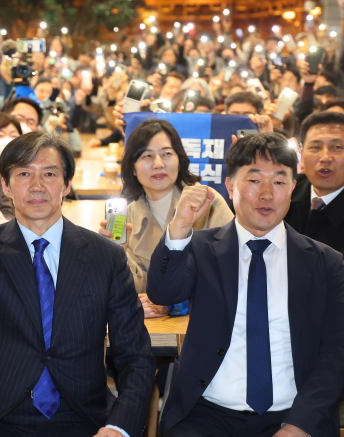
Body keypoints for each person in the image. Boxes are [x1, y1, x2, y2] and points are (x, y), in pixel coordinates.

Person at [0, 131, 155, 437]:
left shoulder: (105, 257)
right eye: (24, 173)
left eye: (50, 174)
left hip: (82, 416)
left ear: (67, 185)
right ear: (5, 185)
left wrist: (119, 427)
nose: (37, 186)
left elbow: (135, 356)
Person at [147, 132, 344, 437]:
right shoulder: (200, 247)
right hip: (206, 416)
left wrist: (298, 426)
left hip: (293, 416)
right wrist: (180, 226)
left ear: (293, 186)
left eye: (279, 182)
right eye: (253, 181)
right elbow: (164, 293)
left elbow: (336, 353)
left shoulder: (327, 263)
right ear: (229, 186)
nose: (267, 194)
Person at [99, 119, 233, 316]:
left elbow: (231, 270)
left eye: (167, 154)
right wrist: (119, 256)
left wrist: (174, 305)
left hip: (208, 320)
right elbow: (138, 288)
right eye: (147, 156)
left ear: (180, 160)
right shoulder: (128, 218)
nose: (158, 164)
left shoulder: (207, 201)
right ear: (133, 168)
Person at [285, 112, 344, 255]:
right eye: (315, 147)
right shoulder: (285, 190)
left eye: (337, 147)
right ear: (301, 154)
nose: (325, 158)